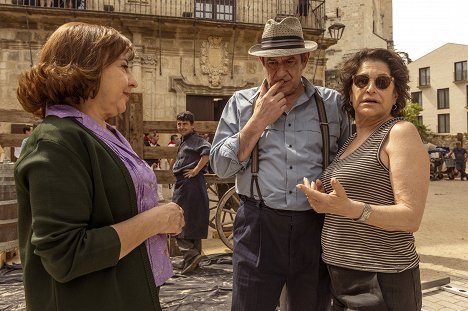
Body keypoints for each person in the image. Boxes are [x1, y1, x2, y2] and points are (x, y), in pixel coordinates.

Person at [15, 22, 185, 311]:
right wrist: (156, 221)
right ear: (87, 68)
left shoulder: (99, 132)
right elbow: (66, 256)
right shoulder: (56, 141)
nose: (133, 81)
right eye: (124, 67)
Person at [210, 17, 350, 311]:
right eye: (272, 63)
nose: (281, 72)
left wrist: (329, 180)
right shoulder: (240, 103)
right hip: (258, 225)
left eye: (290, 61)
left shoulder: (332, 103)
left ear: (305, 59)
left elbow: (346, 159)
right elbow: (221, 168)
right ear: (262, 62)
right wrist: (257, 121)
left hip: (315, 227)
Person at [297, 48, 429, 310]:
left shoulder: (400, 133)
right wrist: (324, 201)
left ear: (395, 94)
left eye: (382, 82)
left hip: (381, 279)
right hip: (340, 276)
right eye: (362, 81)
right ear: (350, 91)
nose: (371, 88)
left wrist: (350, 209)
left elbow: (411, 217)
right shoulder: (350, 140)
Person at [172, 111, 211, 274]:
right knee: (192, 220)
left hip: (190, 185)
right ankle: (191, 262)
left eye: (185, 124)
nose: (181, 127)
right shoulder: (185, 141)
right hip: (188, 184)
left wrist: (195, 170)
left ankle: (191, 254)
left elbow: (207, 151)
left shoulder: (196, 140)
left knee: (178, 219)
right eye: (179, 124)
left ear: (192, 125)